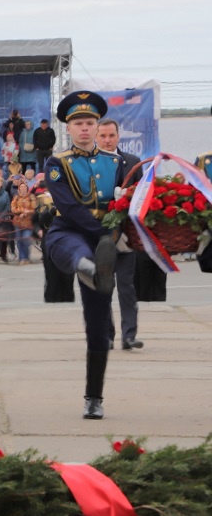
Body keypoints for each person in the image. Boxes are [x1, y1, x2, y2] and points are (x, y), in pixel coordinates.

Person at [44, 91, 124, 419]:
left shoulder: (117, 163)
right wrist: (105, 232)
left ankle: (94, 397)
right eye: (78, 123)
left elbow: (123, 205)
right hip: (70, 232)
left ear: (97, 125)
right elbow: (68, 207)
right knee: (75, 252)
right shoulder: (57, 163)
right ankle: (87, 268)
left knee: (96, 322)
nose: (85, 128)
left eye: (90, 122)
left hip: (104, 243)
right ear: (69, 127)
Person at [97, 118, 145, 351]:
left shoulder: (133, 163)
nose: (107, 140)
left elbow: (142, 198)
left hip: (126, 236)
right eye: (103, 136)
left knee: (127, 286)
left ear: (118, 137)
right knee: (104, 287)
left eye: (111, 136)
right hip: (100, 237)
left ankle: (129, 335)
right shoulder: (89, 163)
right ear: (96, 137)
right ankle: (107, 336)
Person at [11, 182, 36, 265]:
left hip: (28, 222)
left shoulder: (31, 197)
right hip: (17, 222)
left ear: (27, 188)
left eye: (24, 187)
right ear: (19, 189)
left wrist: (27, 212)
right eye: (21, 187)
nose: (23, 188)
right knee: (19, 240)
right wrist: (22, 211)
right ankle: (21, 258)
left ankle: (26, 257)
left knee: (26, 238)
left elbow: (34, 208)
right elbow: (13, 209)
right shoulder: (16, 197)